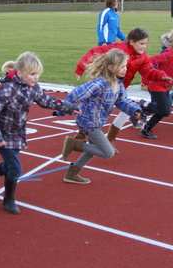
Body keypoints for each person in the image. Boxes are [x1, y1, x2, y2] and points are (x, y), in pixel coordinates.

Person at [0, 52, 78, 213]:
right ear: (20, 72)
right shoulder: (7, 89)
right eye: (33, 74)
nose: (36, 77)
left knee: (11, 166)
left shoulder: (33, 88)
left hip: (18, 132)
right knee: (16, 168)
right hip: (2, 134)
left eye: (38, 73)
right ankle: (8, 200)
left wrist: (69, 107)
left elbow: (46, 101)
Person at [73, 28, 170, 152]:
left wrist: (161, 76)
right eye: (141, 43)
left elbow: (148, 72)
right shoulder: (117, 49)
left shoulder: (143, 57)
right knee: (95, 110)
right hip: (104, 85)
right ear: (131, 42)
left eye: (145, 43)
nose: (144, 47)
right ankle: (82, 134)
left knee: (125, 111)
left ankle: (110, 138)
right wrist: (80, 68)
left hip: (120, 87)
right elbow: (94, 51)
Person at [60, 48, 143, 184]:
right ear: (110, 67)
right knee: (107, 152)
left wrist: (135, 110)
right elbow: (77, 93)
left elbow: (122, 101)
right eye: (121, 66)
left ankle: (72, 173)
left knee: (94, 149)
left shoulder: (117, 83)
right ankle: (74, 144)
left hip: (96, 121)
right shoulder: (100, 83)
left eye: (125, 66)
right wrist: (63, 109)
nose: (125, 69)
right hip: (88, 121)